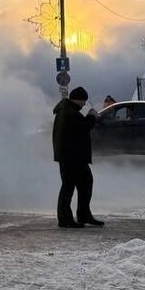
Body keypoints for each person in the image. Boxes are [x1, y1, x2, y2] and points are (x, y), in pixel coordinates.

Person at [53, 86, 103, 228]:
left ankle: (83, 215)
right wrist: (92, 116)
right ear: (78, 99)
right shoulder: (69, 112)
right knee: (69, 187)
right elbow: (84, 127)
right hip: (71, 157)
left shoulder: (68, 110)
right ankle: (65, 219)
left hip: (74, 157)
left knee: (85, 183)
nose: (84, 104)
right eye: (83, 101)